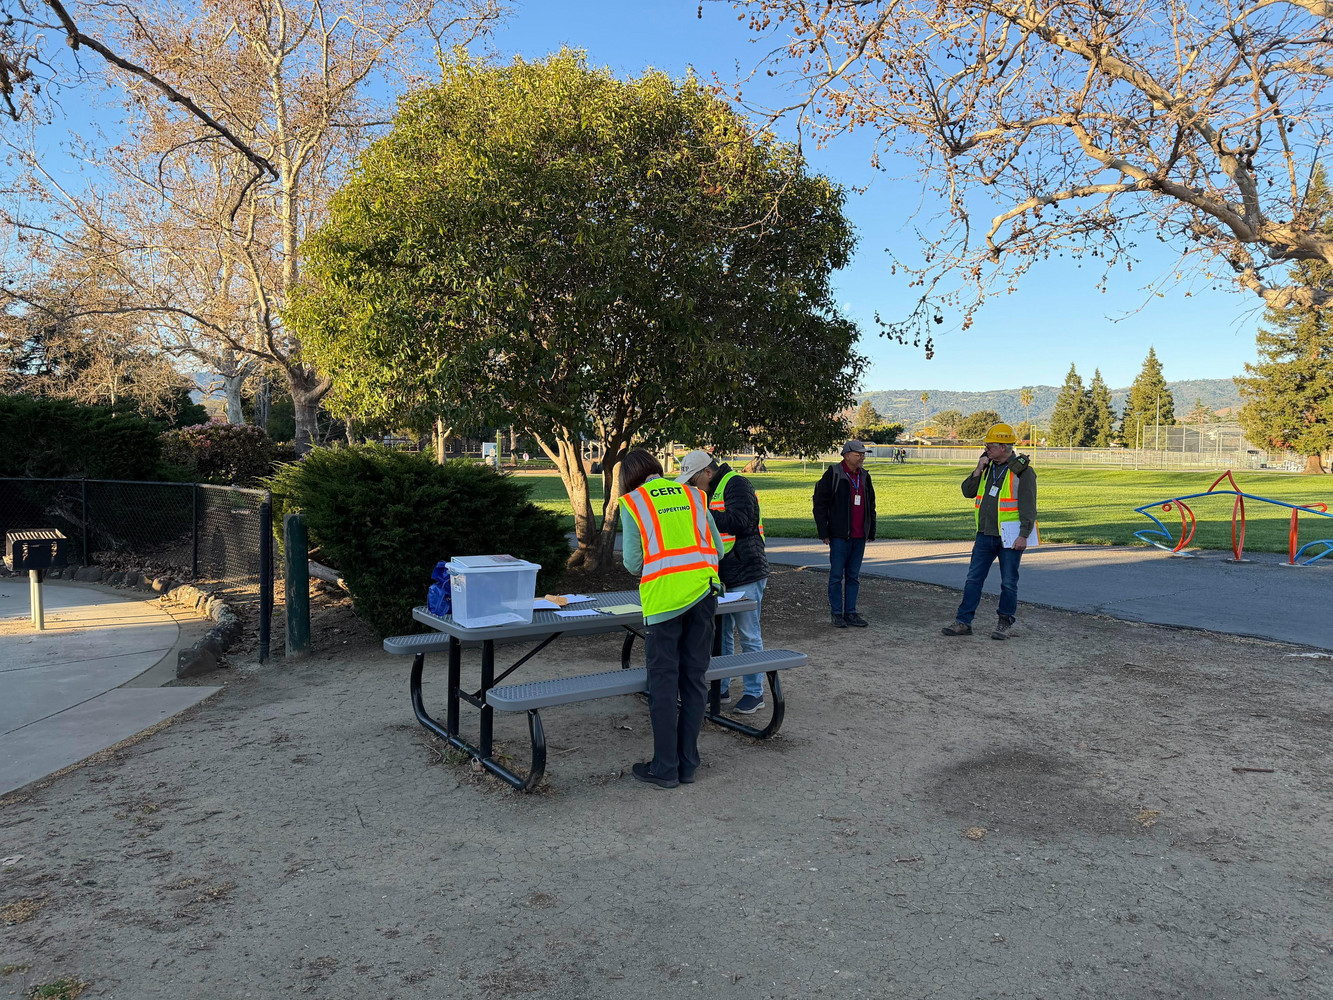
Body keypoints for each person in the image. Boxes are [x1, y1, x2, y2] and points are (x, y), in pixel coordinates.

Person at [619, 448, 725, 788]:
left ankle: (665, 767)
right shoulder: (694, 495)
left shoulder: (633, 503)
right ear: (656, 468)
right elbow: (719, 550)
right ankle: (688, 763)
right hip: (703, 595)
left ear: (628, 478)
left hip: (664, 602)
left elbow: (633, 563)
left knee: (663, 684)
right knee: (694, 680)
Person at [677, 449, 769, 715]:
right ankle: (721, 688)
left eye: (693, 480)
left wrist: (700, 514)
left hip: (746, 570)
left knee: (749, 634)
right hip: (722, 574)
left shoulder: (736, 483)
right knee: (721, 635)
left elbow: (740, 521)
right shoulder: (707, 492)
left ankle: (754, 693)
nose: (692, 486)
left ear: (708, 472)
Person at [941, 422, 1038, 640]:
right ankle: (963, 622)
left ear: (1003, 447)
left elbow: (1029, 507)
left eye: (989, 446)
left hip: (1010, 537)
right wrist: (978, 469)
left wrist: (1024, 535)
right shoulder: (987, 467)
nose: (986, 449)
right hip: (984, 534)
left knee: (1008, 583)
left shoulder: (1023, 472)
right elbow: (968, 492)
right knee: (973, 580)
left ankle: (1004, 623)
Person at [812, 440, 877, 628]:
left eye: (864, 454)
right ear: (847, 455)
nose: (862, 457)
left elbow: (871, 505)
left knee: (853, 576)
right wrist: (823, 531)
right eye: (859, 454)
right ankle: (836, 614)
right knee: (836, 576)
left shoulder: (864, 476)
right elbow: (819, 504)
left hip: (859, 536)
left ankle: (851, 612)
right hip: (839, 535)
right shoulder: (834, 474)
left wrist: (870, 530)